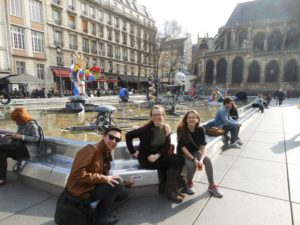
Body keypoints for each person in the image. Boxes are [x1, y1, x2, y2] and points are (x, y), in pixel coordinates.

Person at [65, 127, 132, 225]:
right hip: (81, 191)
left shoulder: (106, 153)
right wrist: (105, 179)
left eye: (117, 139)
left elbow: (104, 175)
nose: (114, 141)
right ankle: (100, 216)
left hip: (91, 185)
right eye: (111, 137)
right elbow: (77, 174)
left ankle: (95, 205)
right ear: (103, 136)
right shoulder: (91, 150)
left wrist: (126, 183)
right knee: (117, 183)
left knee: (124, 193)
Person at [125, 105, 185, 203]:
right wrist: (133, 152)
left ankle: (173, 188)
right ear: (151, 116)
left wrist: (157, 155)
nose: (157, 117)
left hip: (157, 156)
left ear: (163, 115)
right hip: (147, 159)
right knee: (175, 161)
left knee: (180, 158)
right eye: (155, 115)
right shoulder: (145, 129)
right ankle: (169, 191)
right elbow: (128, 136)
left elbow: (166, 146)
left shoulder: (166, 127)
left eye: (159, 114)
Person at [176, 110, 223, 197]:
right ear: (186, 119)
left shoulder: (200, 129)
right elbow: (183, 148)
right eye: (189, 117)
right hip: (183, 153)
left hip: (194, 151)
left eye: (194, 117)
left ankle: (211, 186)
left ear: (197, 119)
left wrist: (201, 160)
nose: (191, 119)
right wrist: (194, 160)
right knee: (191, 164)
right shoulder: (181, 129)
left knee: (207, 160)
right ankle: (189, 183)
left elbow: (203, 147)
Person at [0, 107, 40, 185]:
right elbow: (19, 133)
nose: (16, 121)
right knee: (1, 154)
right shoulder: (20, 123)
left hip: (27, 149)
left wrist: (21, 137)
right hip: (19, 146)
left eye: (17, 119)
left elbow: (36, 138)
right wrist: (13, 135)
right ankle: (2, 178)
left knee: (1, 148)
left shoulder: (32, 124)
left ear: (22, 117)